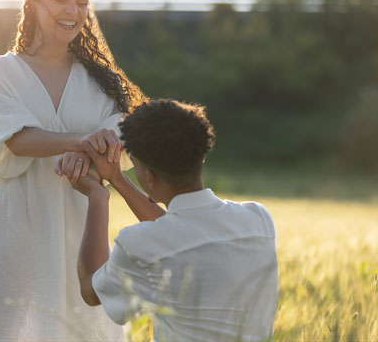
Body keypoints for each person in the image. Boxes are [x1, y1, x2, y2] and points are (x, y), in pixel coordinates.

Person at [0, 0, 145, 342]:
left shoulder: (102, 82)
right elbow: (19, 139)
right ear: (34, 3)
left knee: (84, 328)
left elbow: (118, 143)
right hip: (16, 230)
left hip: (83, 235)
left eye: (81, 2)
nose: (73, 11)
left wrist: (97, 145)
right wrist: (86, 141)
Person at [68, 99, 278, 342]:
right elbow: (182, 232)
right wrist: (117, 179)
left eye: (134, 166)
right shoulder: (258, 220)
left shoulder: (139, 243)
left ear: (150, 177)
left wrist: (98, 196)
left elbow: (91, 291)